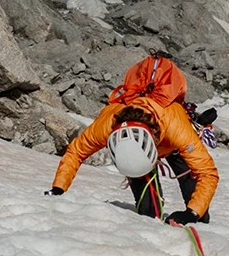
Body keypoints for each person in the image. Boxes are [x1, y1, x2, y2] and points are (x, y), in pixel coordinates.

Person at [48, 65, 219, 223]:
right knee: (148, 214)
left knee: (198, 213)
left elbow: (207, 173)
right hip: (140, 146)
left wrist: (192, 213)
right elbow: (76, 152)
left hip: (172, 145)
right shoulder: (106, 125)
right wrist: (58, 187)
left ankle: (199, 220)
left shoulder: (176, 127)